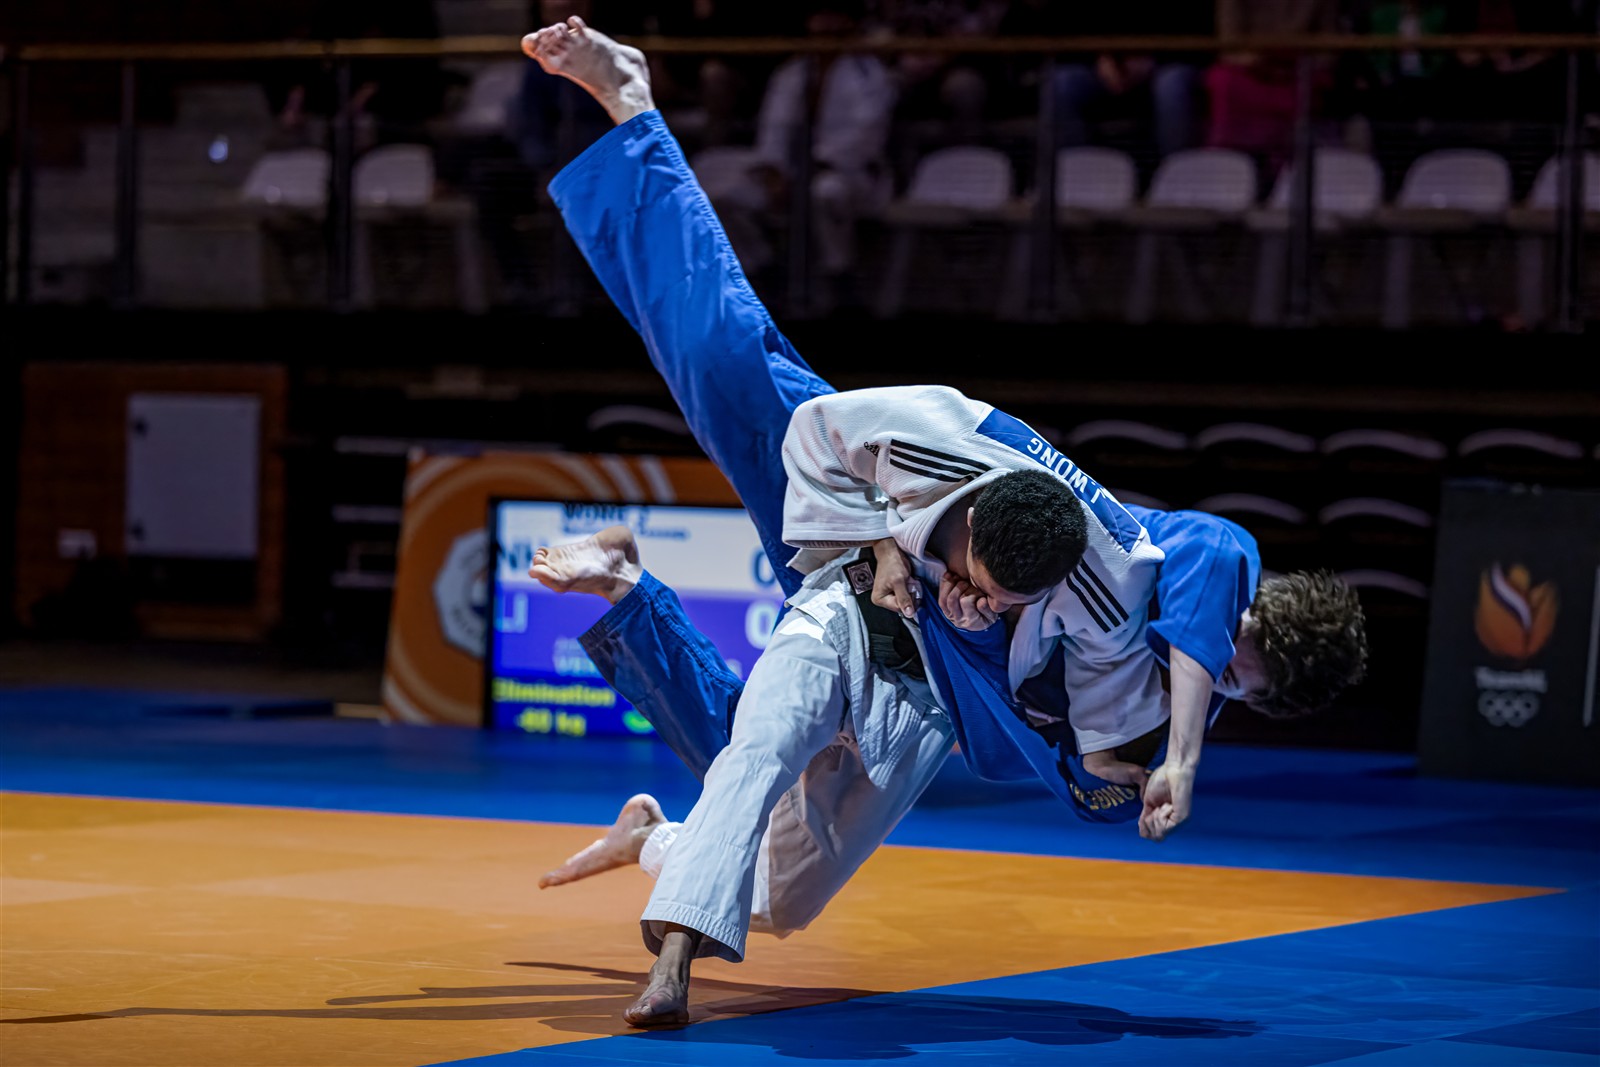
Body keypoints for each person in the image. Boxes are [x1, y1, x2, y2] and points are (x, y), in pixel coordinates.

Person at [518, 11, 1367, 1023]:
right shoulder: (1204, 564)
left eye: (1236, 679)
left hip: (921, 684)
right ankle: (632, 103)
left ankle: (648, 765)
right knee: (718, 359)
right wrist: (893, 553)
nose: (1218, 660)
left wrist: (1107, 751)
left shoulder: (1139, 721)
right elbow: (1197, 628)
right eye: (1236, 641)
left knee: (775, 875)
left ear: (1253, 703)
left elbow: (1082, 768)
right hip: (892, 510)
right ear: (1253, 603)